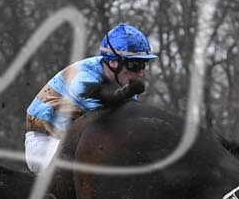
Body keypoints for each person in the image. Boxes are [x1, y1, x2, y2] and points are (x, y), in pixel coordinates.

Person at [23, 23, 157, 172]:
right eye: (134, 65)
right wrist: (126, 94)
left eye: (143, 64)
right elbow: (105, 103)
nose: (141, 73)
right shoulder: (82, 76)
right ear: (113, 62)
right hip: (45, 144)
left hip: (77, 141)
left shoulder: (121, 80)